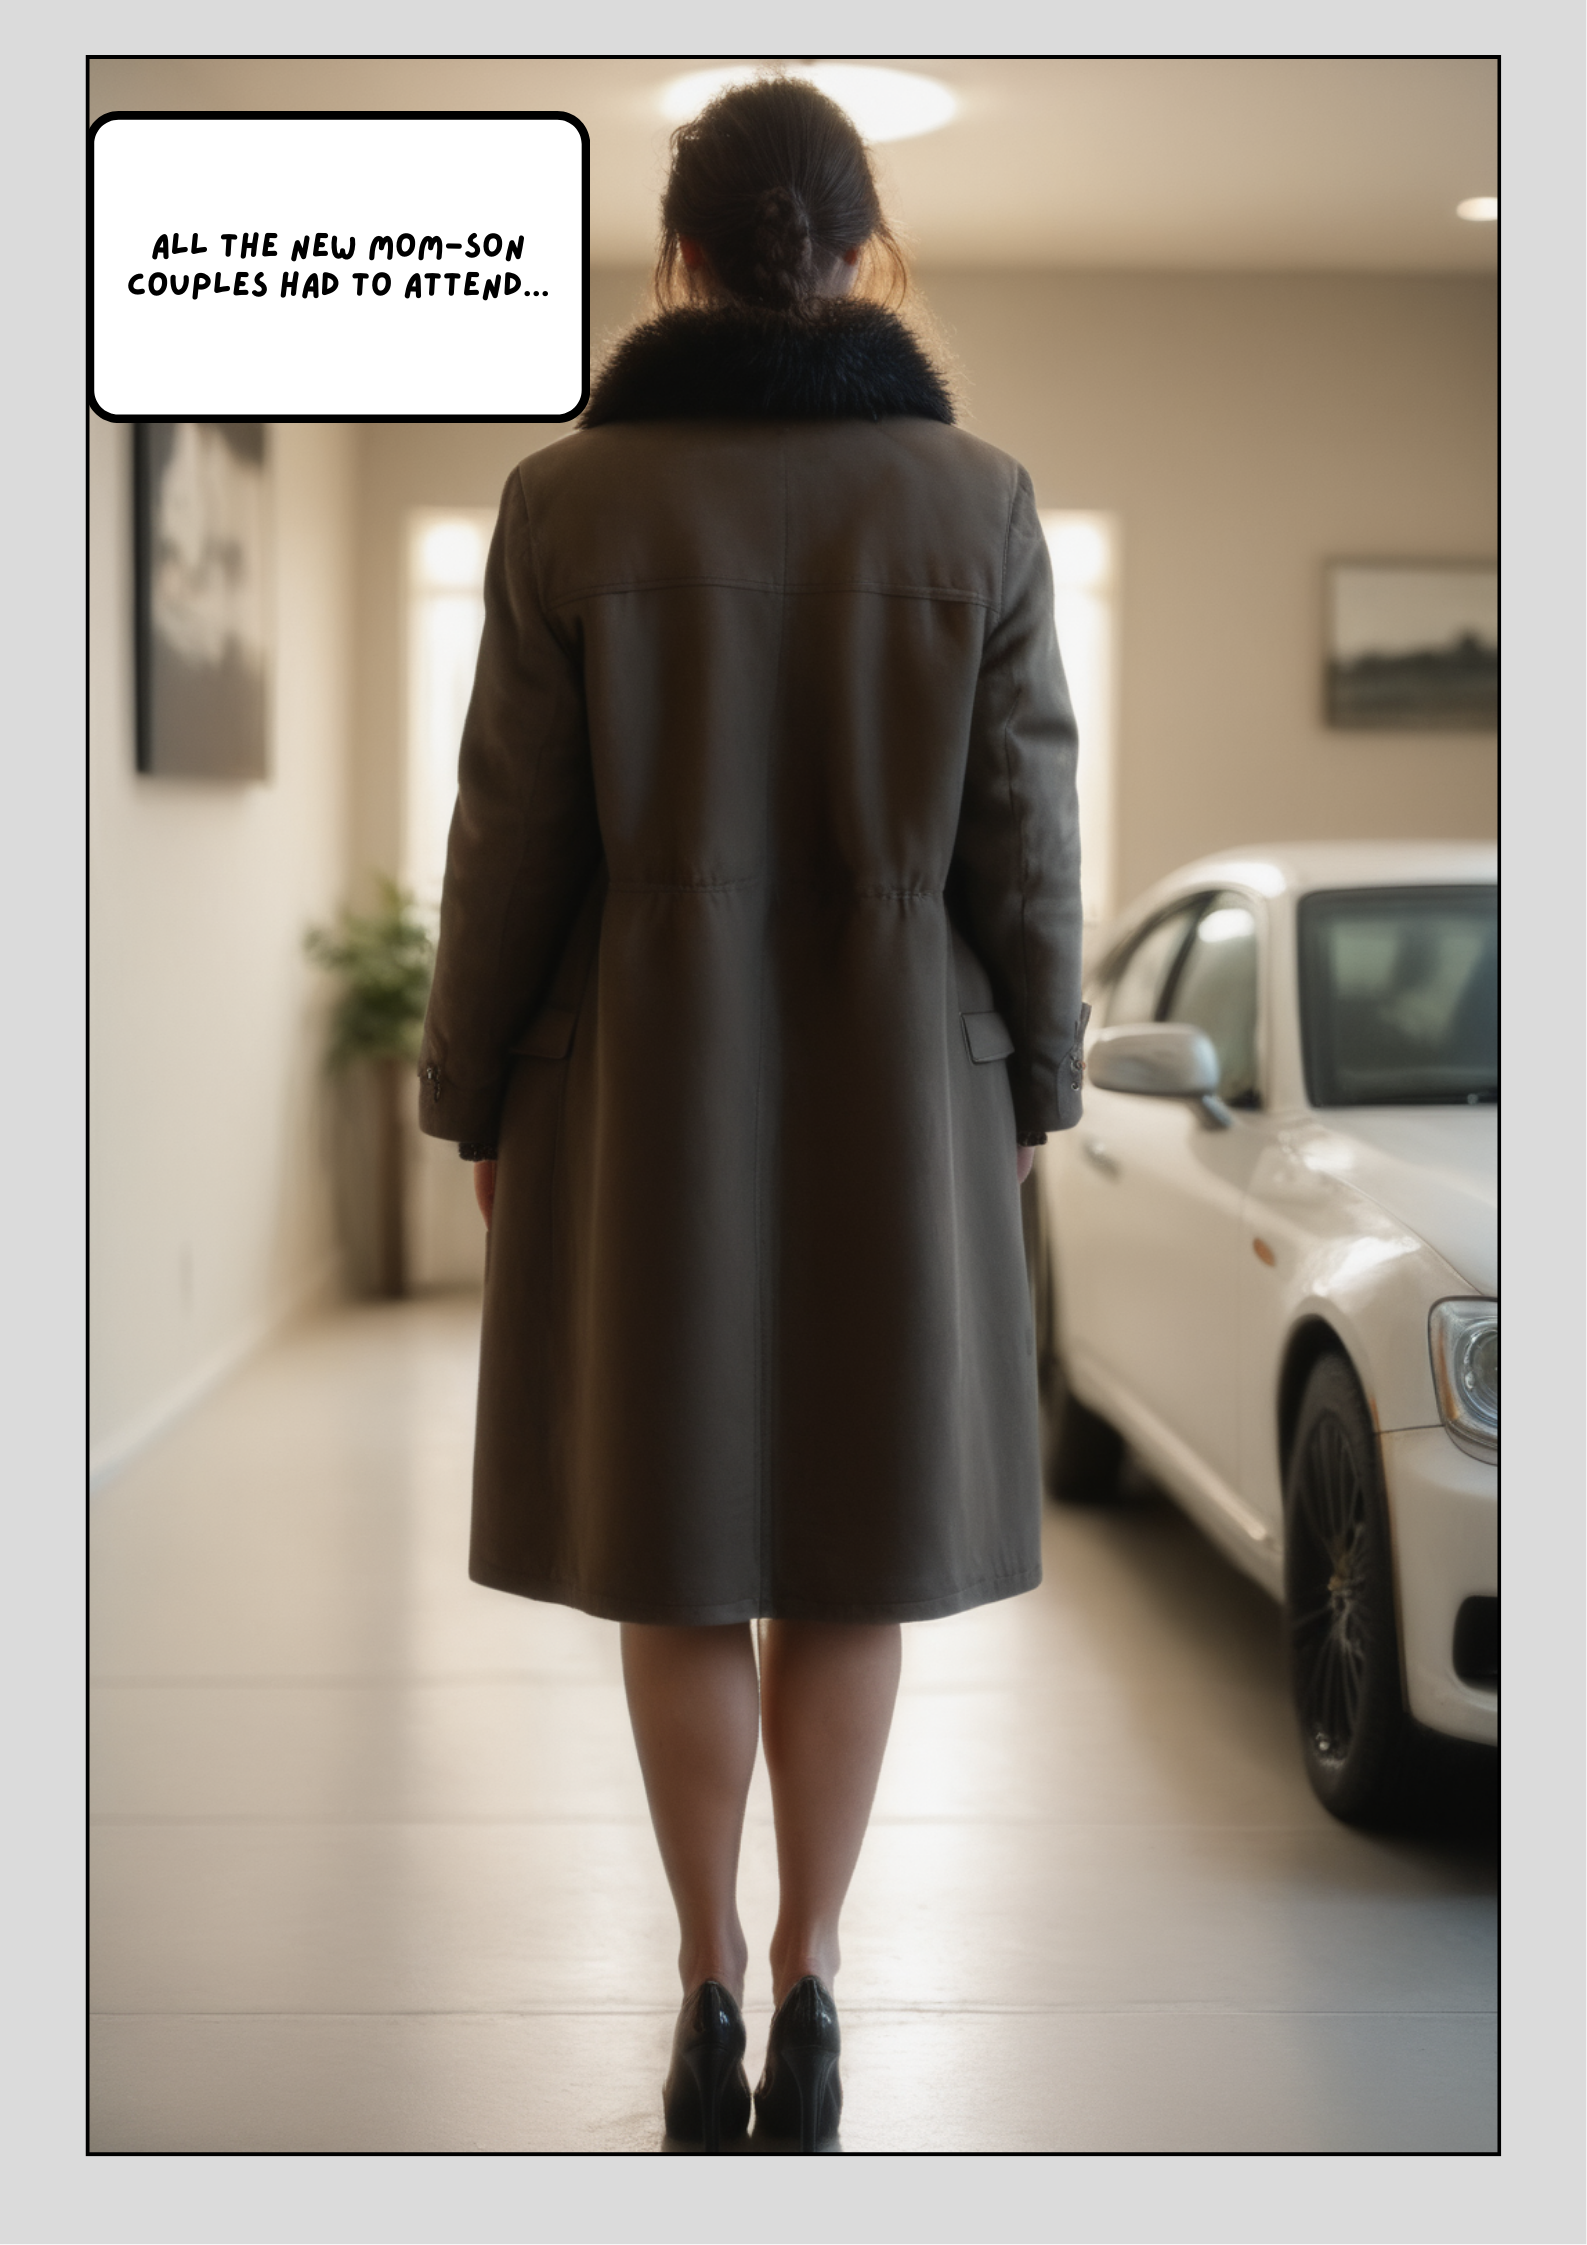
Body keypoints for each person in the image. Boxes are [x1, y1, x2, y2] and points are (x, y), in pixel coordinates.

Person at [418, 75, 1086, 2153]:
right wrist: (1035, 1081)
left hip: (640, 1080)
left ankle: (702, 1972)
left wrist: (473, 1096)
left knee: (678, 1542)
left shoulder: (565, 505)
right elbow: (1027, 840)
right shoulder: (975, 501)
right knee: (850, 1546)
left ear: (678, 259)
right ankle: (811, 1974)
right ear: (866, 251)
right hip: (901, 1081)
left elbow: (507, 843)